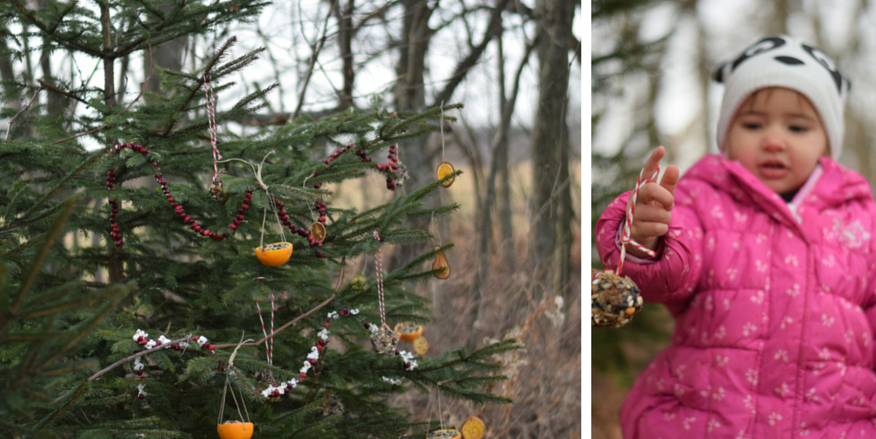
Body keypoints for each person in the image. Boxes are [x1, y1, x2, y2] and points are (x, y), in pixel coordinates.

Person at [594, 35, 876, 439]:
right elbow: (673, 270)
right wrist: (646, 235)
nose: (774, 139)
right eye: (753, 123)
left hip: (832, 425)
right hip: (708, 420)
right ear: (727, 134)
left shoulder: (861, 220)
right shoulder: (704, 199)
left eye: (797, 126)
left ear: (826, 141)